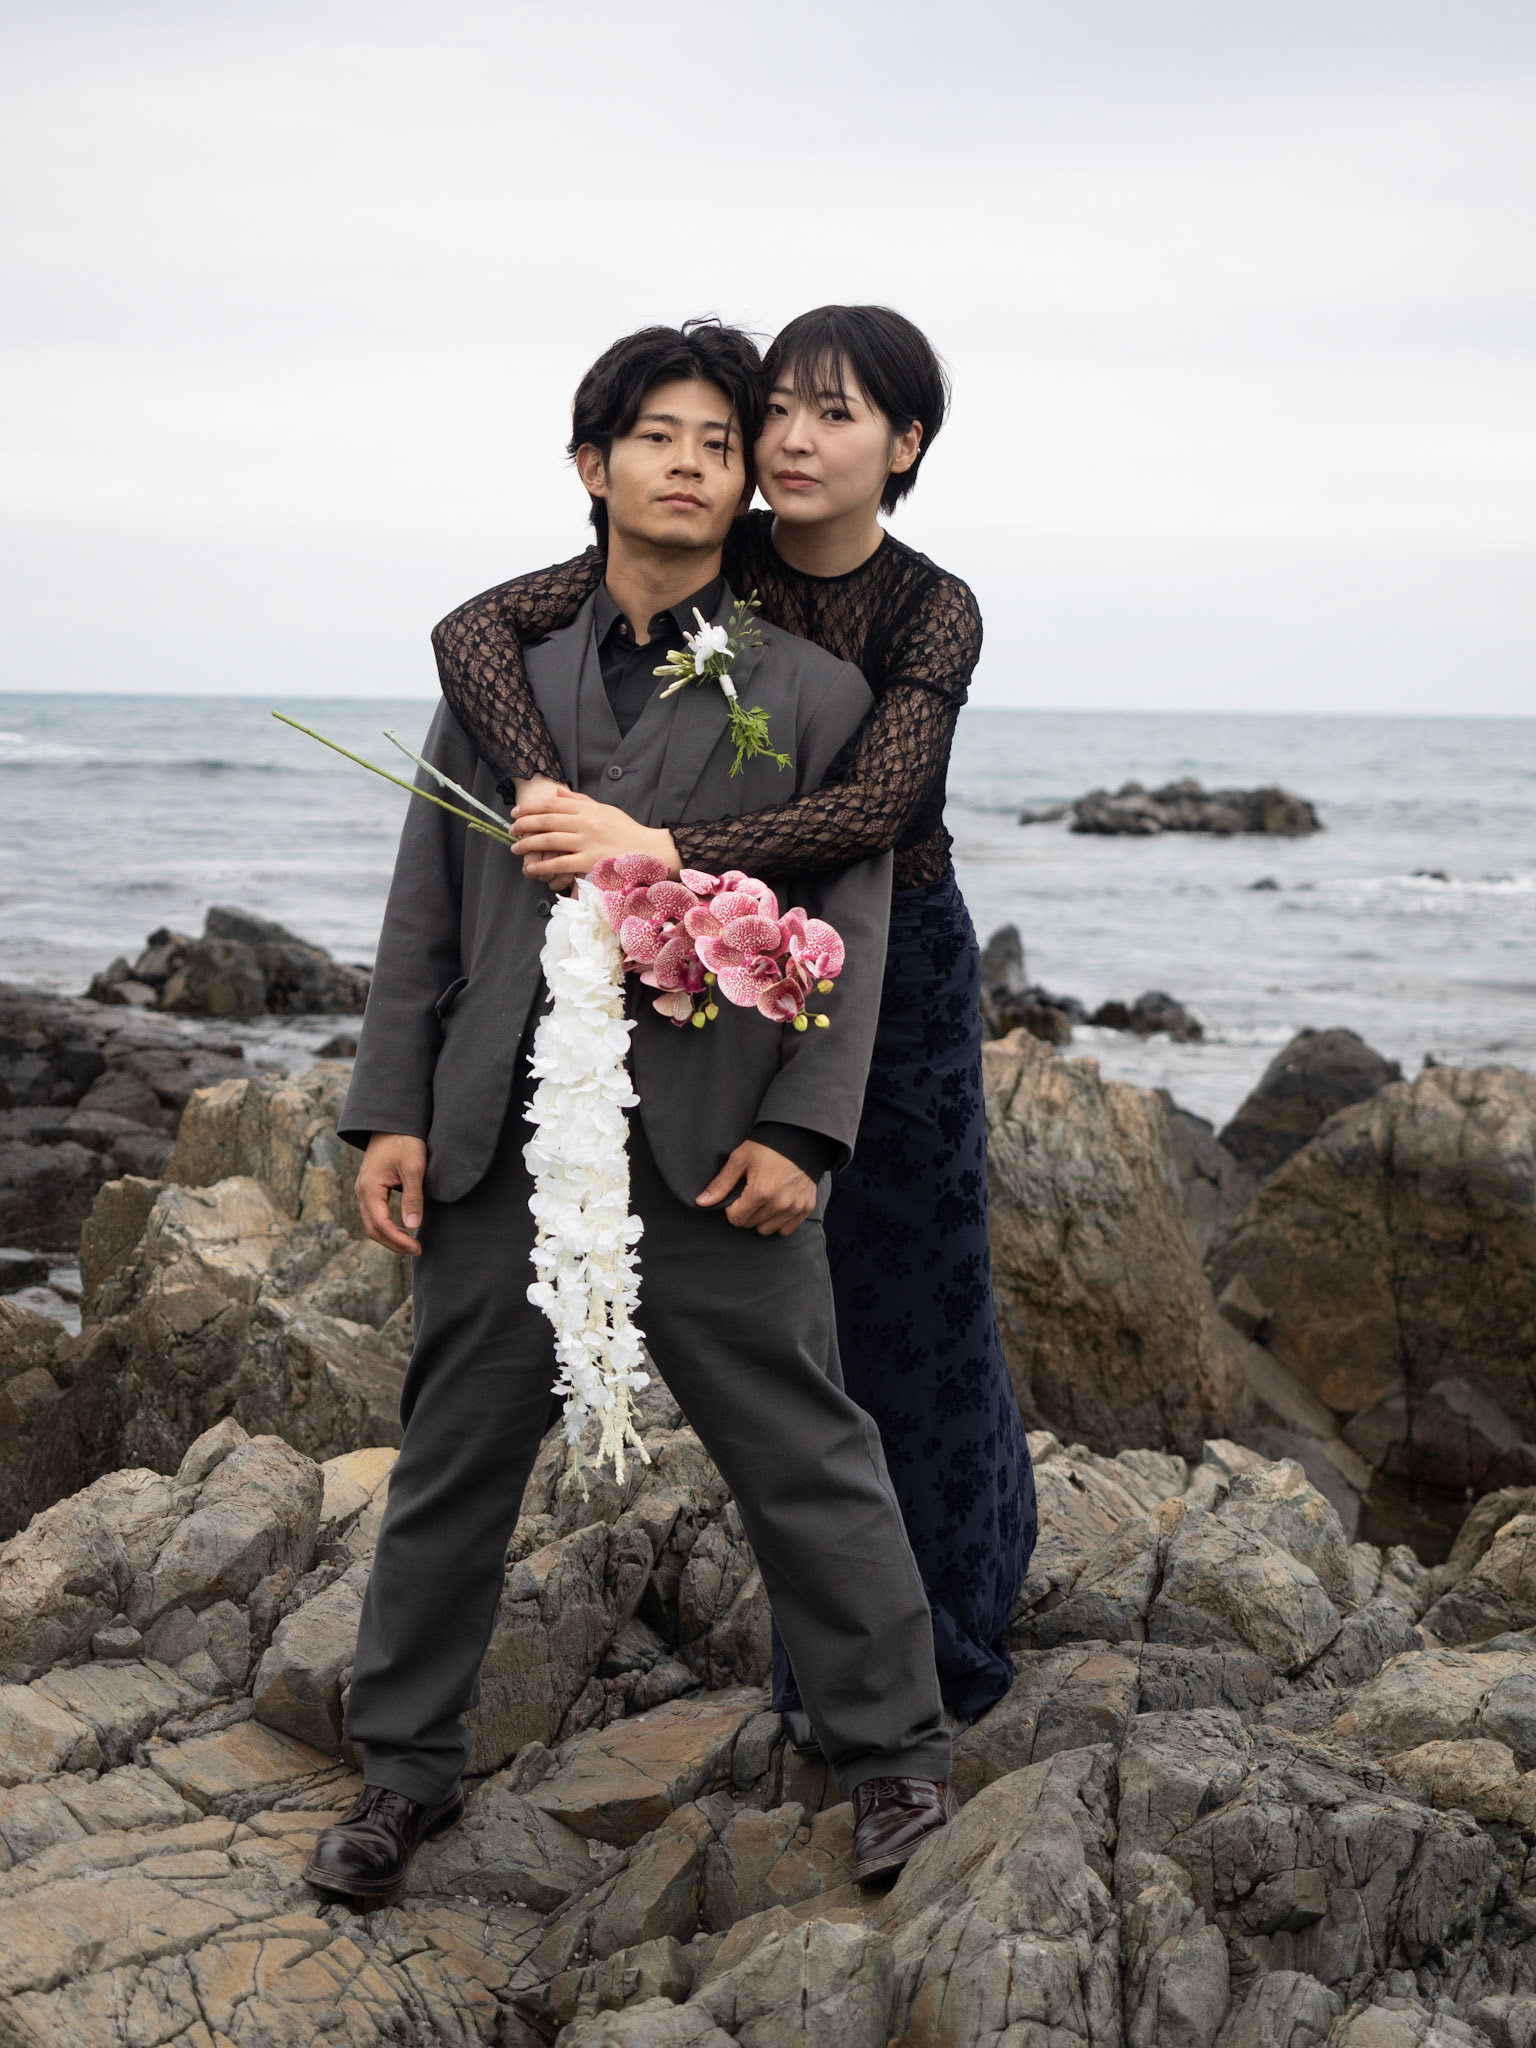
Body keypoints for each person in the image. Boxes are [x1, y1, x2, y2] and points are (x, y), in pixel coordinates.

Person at [304, 319, 954, 1903]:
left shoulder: (815, 693)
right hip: (498, 1136)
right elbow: (426, 909)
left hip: (718, 1143)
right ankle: (400, 1775)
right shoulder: (502, 689)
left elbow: (851, 929)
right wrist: (391, 1111)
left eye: (720, 444)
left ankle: (893, 1756)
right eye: (658, 436)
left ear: (746, 488)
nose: (692, 464)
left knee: (807, 1451)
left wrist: (805, 1134)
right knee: (453, 1459)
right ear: (593, 466)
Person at [429, 305, 1036, 1731]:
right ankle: (823, 1663)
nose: (793, 440)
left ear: (907, 444)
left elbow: (878, 809)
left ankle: (949, 1636)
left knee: (918, 1299)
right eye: (781, 410)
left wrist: (657, 843)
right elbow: (473, 633)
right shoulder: (725, 552)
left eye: (838, 413)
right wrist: (547, 795)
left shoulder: (933, 607)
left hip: (891, 963)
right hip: (704, 962)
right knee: (787, 1323)